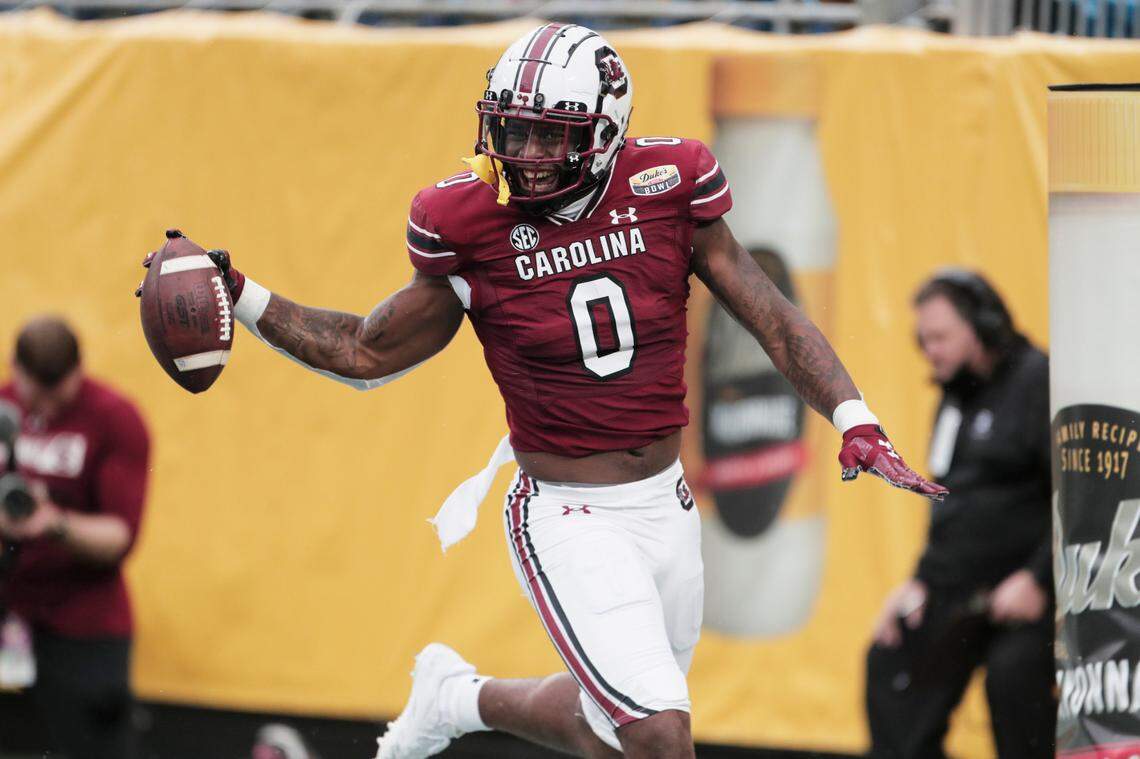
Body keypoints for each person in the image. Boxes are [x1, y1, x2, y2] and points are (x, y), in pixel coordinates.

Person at [143, 25, 945, 759]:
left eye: (547, 133)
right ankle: (459, 698)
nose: (523, 152)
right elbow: (365, 348)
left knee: (615, 737)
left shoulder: (668, 184)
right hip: (566, 512)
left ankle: (457, 697)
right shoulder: (470, 221)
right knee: (660, 735)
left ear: (605, 130)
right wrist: (243, 294)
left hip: (667, 505)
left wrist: (854, 415)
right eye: (512, 128)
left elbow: (771, 315)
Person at [864, 269, 1054, 759]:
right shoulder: (954, 398)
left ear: (982, 326)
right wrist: (919, 583)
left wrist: (1038, 579)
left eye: (941, 337)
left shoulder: (1039, 382)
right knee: (890, 657)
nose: (930, 351)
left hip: (1028, 596)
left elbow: (1072, 497)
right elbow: (950, 508)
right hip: (961, 596)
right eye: (923, 340)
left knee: (1012, 678)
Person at [0, 316, 151, 759]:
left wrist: (53, 523)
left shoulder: (114, 419)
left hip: (83, 623)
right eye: (36, 393)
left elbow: (120, 536)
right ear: (15, 368)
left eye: (58, 393)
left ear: (79, 368)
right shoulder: (4, 408)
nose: (46, 407)